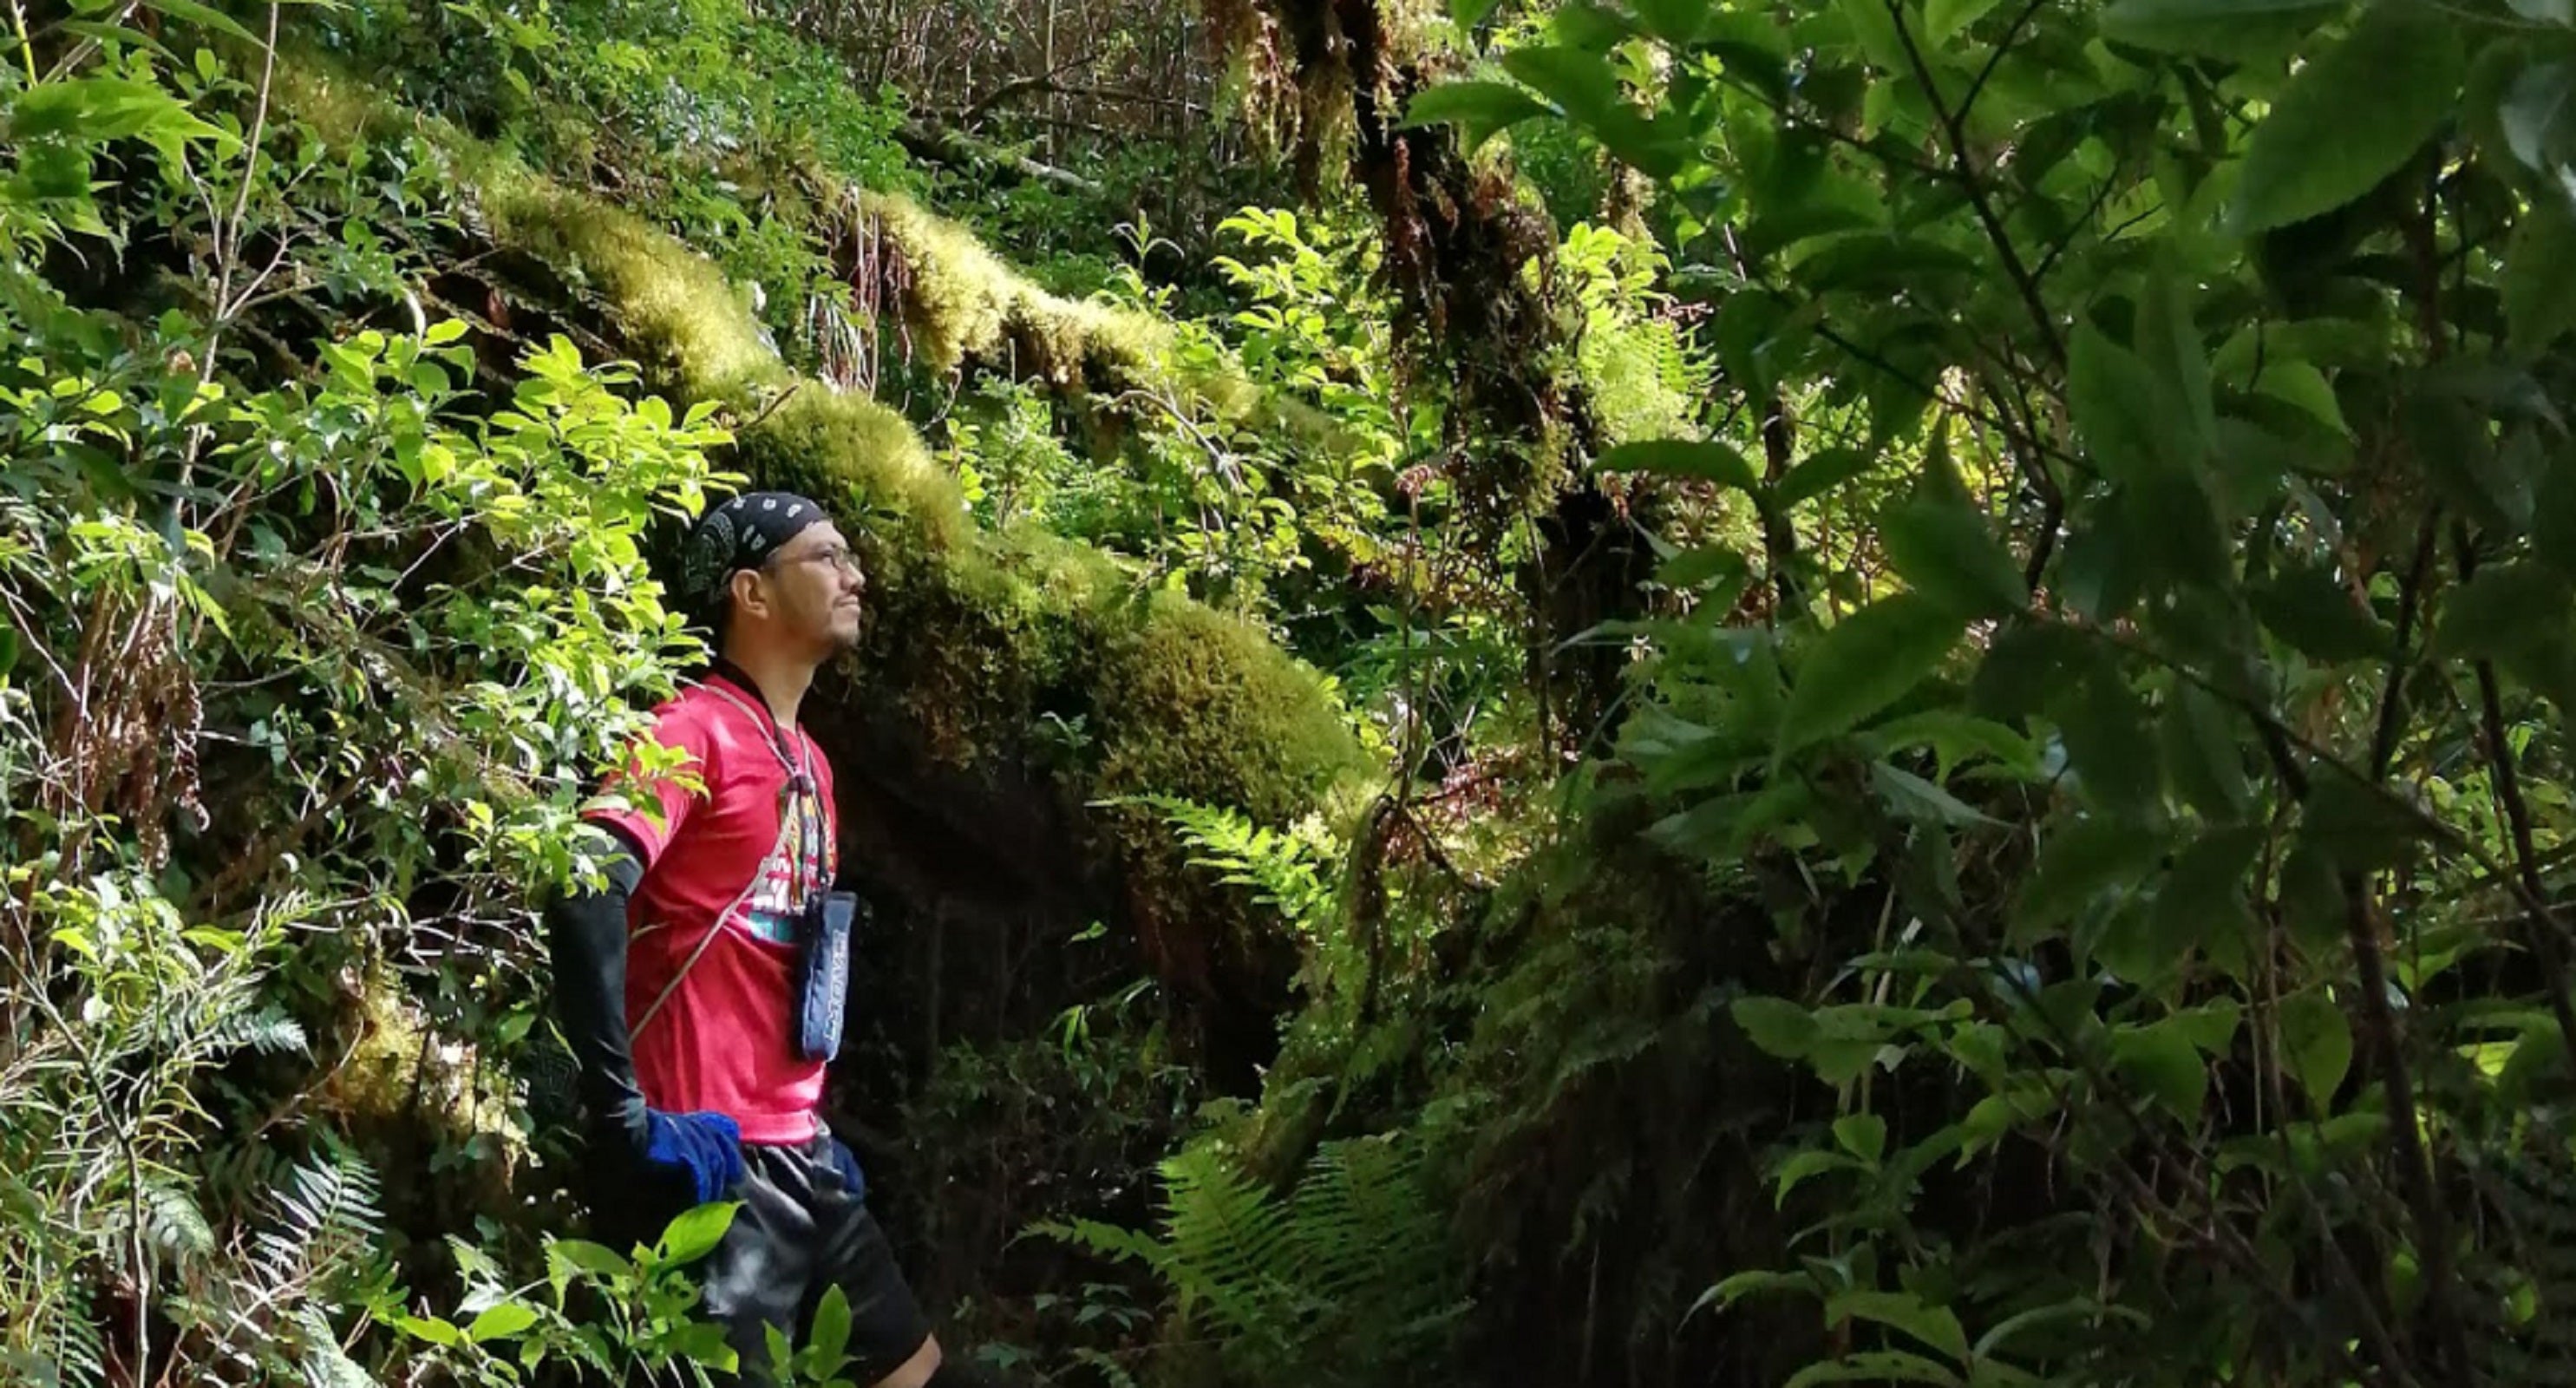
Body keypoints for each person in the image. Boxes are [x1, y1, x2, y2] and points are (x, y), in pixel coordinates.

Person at [544, 491, 988, 1388]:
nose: (854, 575)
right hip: (712, 1163)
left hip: (805, 1154)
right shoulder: (689, 729)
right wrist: (620, 1111)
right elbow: (585, 884)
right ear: (750, 592)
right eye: (826, 557)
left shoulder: (810, 761)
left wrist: (810, 1120)